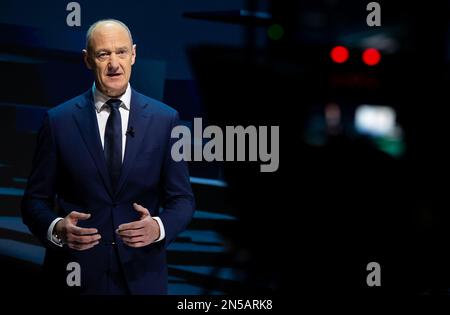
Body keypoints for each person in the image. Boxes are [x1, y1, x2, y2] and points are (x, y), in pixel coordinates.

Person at [21, 19, 195, 294]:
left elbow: (183, 199)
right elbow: (34, 201)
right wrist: (57, 228)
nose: (114, 63)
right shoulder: (58, 121)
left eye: (122, 52)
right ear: (88, 60)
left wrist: (158, 227)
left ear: (134, 54)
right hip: (73, 277)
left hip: (141, 278)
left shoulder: (166, 120)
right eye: (103, 54)